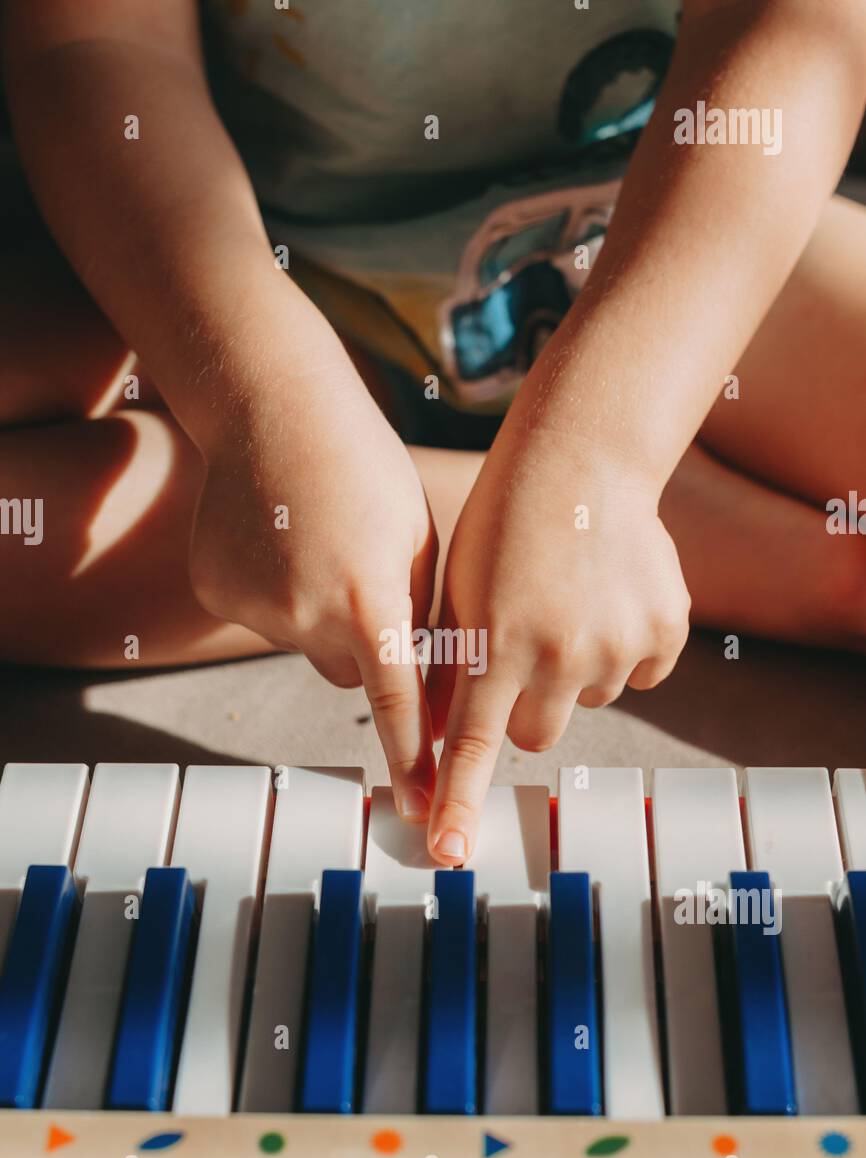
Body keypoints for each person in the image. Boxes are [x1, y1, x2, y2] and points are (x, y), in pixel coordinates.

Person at [1, 0, 865, 866]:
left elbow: (804, 27)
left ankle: (561, 518)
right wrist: (265, 405)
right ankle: (669, 540)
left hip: (666, 252)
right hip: (269, 271)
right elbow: (95, 42)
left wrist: (605, 456)